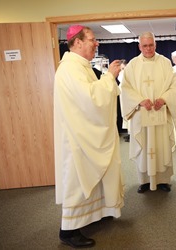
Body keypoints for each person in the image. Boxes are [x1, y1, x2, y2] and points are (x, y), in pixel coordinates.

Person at [53, 25, 124, 248]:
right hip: (77, 137)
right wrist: (110, 78)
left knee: (87, 177)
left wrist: (106, 79)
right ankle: (68, 230)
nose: (97, 43)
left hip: (83, 131)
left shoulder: (80, 66)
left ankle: (96, 213)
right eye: (92, 39)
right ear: (77, 42)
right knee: (76, 180)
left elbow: (93, 93)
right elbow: (92, 99)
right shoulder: (70, 68)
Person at [120, 31, 176, 193]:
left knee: (161, 146)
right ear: (139, 46)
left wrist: (165, 98)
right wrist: (139, 100)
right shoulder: (132, 65)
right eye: (144, 45)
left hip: (160, 113)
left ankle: (163, 180)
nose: (148, 48)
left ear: (155, 44)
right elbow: (125, 88)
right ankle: (144, 180)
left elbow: (174, 86)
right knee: (144, 147)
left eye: (151, 45)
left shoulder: (165, 63)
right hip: (141, 114)